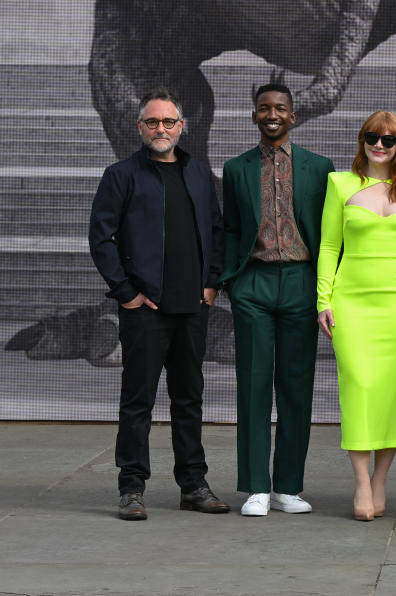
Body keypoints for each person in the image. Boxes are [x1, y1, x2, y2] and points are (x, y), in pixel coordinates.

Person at [89, 87, 228, 520]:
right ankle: (131, 487)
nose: (161, 129)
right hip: (145, 311)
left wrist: (212, 284)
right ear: (140, 128)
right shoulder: (121, 175)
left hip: (192, 309)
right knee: (138, 400)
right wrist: (126, 292)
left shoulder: (200, 174)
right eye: (153, 122)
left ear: (181, 126)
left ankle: (193, 484)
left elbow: (218, 232)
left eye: (169, 122)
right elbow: (101, 238)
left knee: (189, 399)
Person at [316, 111, 396, 521]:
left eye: (389, 139)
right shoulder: (339, 183)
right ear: (362, 139)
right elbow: (328, 246)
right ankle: (360, 482)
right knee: (358, 387)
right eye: (373, 137)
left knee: (391, 394)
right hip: (350, 301)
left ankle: (380, 480)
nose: (380, 145)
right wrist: (324, 301)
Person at [220, 84, 335, 517]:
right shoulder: (236, 169)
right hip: (254, 283)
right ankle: (255, 486)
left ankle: (288, 485)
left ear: (293, 116)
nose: (272, 114)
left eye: (281, 108)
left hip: (302, 282)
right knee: (252, 383)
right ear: (254, 117)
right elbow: (231, 229)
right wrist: (232, 280)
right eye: (264, 108)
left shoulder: (319, 168)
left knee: (296, 385)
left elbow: (329, 232)